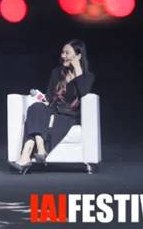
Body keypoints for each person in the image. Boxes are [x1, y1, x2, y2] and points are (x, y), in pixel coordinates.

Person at [9, 39, 96, 174]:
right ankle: (40, 149)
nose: (63, 56)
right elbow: (49, 97)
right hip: (53, 109)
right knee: (36, 107)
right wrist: (42, 100)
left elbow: (83, 93)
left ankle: (25, 158)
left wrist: (78, 69)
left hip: (69, 114)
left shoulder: (88, 77)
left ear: (78, 56)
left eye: (67, 53)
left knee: (36, 119)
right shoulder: (57, 72)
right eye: (62, 52)